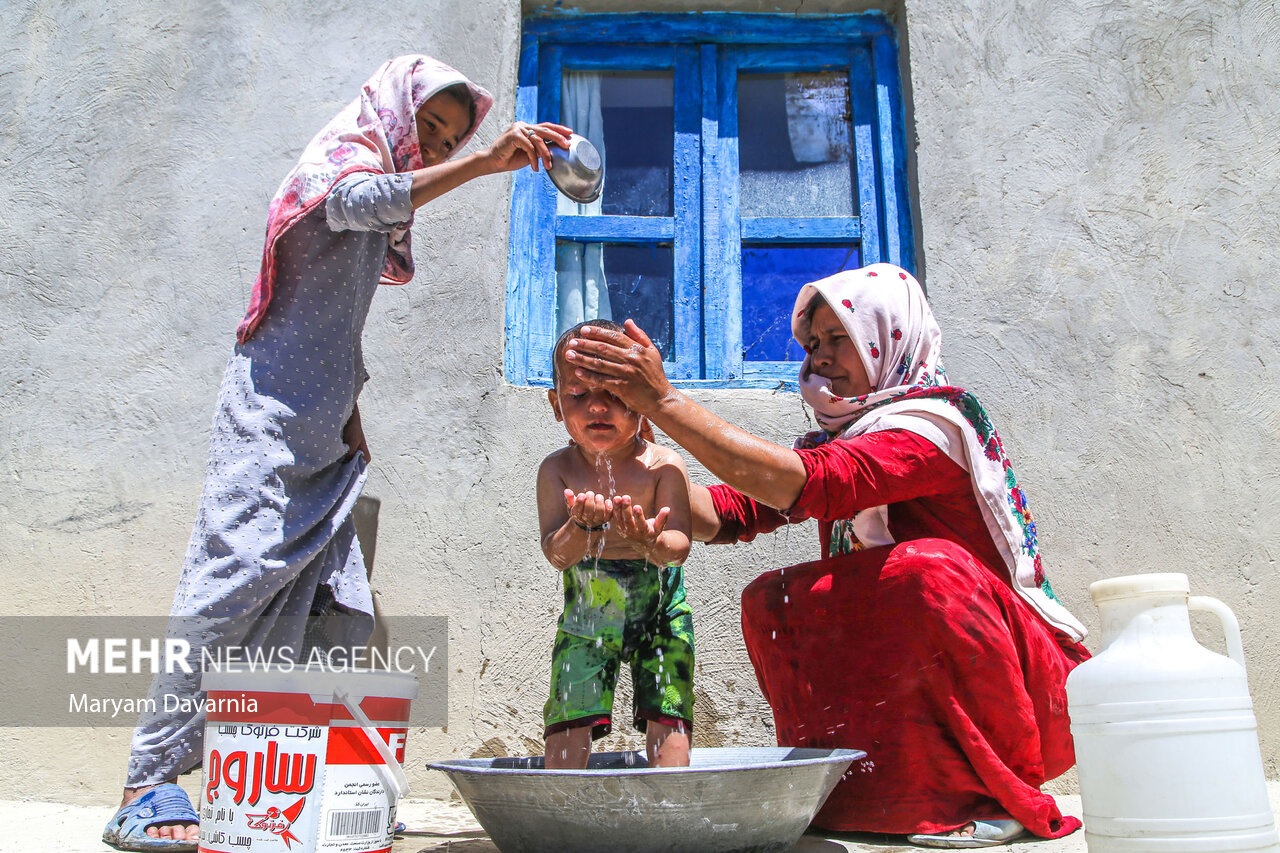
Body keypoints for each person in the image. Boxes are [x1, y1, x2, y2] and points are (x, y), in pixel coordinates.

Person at [102, 55, 572, 852]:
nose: (431, 146)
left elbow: (336, 318)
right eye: (428, 127)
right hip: (267, 418)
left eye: (450, 137)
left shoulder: (382, 192)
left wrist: (351, 410)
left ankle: (298, 783)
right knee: (230, 587)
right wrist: (486, 163)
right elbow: (360, 201)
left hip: (326, 427)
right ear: (393, 109)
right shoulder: (338, 166)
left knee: (330, 608)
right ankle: (147, 783)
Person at [562, 263, 1091, 848]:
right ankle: (866, 797)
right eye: (813, 343)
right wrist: (639, 460)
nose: (820, 356)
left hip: (1040, 696)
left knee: (925, 573)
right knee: (772, 599)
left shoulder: (936, 429)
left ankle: (996, 796)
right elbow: (726, 514)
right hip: (969, 678)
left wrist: (663, 402)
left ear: (889, 335)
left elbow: (813, 484)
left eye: (839, 337)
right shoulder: (838, 439)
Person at [537, 321, 695, 770]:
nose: (598, 407)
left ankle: (668, 810)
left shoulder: (663, 467)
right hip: (587, 618)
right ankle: (565, 815)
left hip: (661, 615)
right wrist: (580, 530)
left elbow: (679, 547)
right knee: (569, 718)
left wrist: (651, 541)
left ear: (643, 404)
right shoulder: (557, 471)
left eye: (616, 393)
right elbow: (556, 555)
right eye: (579, 394)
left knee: (670, 716)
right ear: (556, 404)